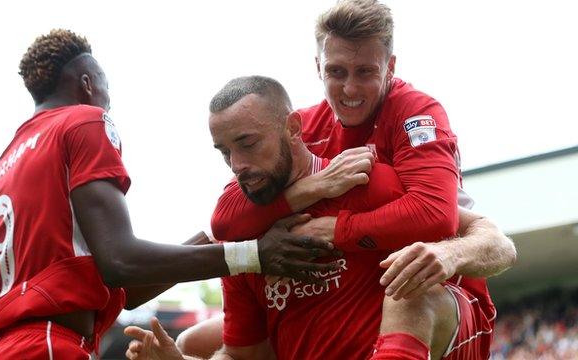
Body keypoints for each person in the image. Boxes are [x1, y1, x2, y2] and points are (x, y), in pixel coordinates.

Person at [0, 30, 368, 360]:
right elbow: (120, 261)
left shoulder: (11, 156)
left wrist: (223, 240)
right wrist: (255, 254)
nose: (235, 164)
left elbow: (124, 291)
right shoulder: (84, 121)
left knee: (192, 345)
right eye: (107, 91)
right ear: (88, 85)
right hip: (45, 345)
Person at [124, 76, 517, 359]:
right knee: (192, 345)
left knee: (412, 296)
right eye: (224, 152)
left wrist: (448, 256)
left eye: (248, 144)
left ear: (294, 128)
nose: (237, 165)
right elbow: (247, 356)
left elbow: (494, 242)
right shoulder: (244, 238)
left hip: (442, 331)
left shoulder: (370, 181)